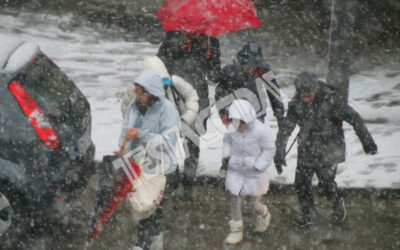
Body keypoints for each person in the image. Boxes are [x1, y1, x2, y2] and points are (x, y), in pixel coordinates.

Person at [274, 71, 378, 227]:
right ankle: (308, 213)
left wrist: (367, 141)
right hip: (306, 148)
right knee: (301, 183)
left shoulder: (331, 100)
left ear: (316, 90)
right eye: (303, 96)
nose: (307, 99)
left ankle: (337, 203)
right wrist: (279, 151)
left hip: (329, 148)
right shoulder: (296, 104)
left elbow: (354, 118)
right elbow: (285, 129)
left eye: (310, 95)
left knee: (326, 185)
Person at [121, 55, 200, 201]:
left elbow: (192, 96)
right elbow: (126, 109)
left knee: (192, 146)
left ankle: (186, 185)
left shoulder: (175, 82)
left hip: (177, 125)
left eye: (164, 86)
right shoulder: (135, 89)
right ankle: (158, 192)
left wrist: (188, 117)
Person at [117, 70, 181, 250]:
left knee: (150, 213)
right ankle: (153, 243)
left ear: (151, 93)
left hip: (160, 170)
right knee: (145, 209)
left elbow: (169, 142)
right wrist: (123, 157)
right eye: (136, 92)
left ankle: (142, 246)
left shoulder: (168, 111)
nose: (137, 97)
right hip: (138, 167)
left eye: (140, 93)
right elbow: (124, 132)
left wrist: (143, 135)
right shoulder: (134, 107)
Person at [157, 31, 222, 200]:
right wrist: (176, 52)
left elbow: (215, 76)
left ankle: (188, 183)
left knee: (192, 141)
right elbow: (159, 65)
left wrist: (209, 58)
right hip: (174, 94)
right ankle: (173, 179)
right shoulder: (172, 38)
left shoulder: (211, 41)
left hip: (198, 96)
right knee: (170, 137)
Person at [222, 99, 276, 245]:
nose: (240, 127)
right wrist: (226, 160)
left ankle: (263, 213)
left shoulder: (261, 130)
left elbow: (269, 149)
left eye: (242, 123)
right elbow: (226, 142)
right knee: (235, 200)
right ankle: (236, 229)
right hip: (236, 170)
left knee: (253, 204)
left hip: (254, 172)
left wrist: (259, 165)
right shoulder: (232, 130)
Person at [215, 41, 284, 127]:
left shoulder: (263, 69)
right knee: (238, 136)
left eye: (256, 66)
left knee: (256, 133)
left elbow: (274, 93)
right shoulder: (230, 71)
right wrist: (223, 112)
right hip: (235, 107)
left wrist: (280, 117)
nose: (253, 71)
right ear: (243, 63)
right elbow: (220, 92)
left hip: (256, 105)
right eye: (250, 66)